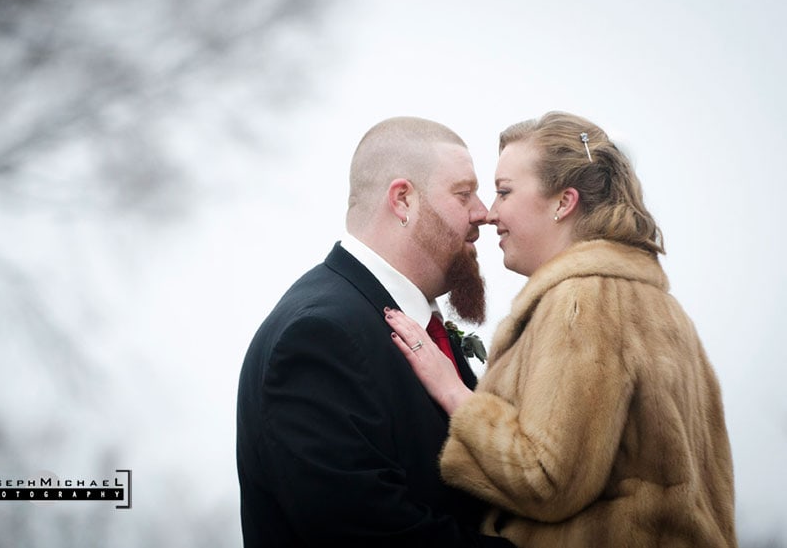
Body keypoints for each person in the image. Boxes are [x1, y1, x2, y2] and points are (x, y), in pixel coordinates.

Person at [386, 111, 737, 547]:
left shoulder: (583, 302)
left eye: (504, 192)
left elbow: (545, 479)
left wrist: (453, 391)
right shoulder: (658, 306)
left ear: (563, 202)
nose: (490, 214)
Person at [236, 117, 511, 547]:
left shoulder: (408, 322)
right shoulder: (318, 335)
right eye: (463, 194)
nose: (484, 213)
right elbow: (367, 531)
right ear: (403, 200)